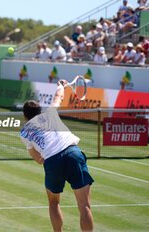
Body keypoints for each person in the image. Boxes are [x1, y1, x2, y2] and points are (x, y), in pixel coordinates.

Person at [20, 83, 94, 232]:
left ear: (25, 116)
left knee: (54, 202)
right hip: (73, 153)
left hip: (52, 161)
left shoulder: (24, 132)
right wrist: (61, 86)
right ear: (40, 111)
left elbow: (38, 159)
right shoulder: (50, 113)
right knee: (84, 205)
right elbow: (58, 97)